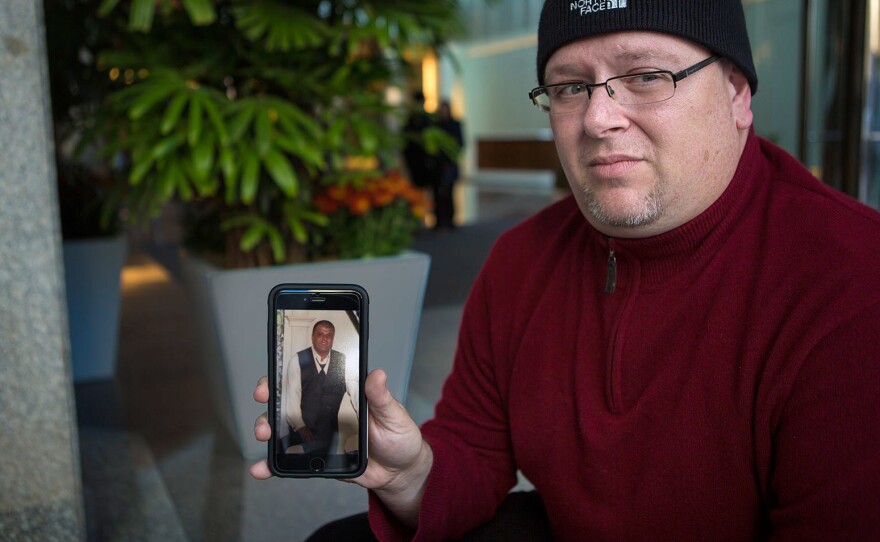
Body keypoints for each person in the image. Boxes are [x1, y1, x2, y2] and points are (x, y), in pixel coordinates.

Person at [252, 1, 880, 540]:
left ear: (737, 95)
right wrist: (414, 475)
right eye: (570, 86)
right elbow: (476, 445)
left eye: (646, 76)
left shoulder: (850, 279)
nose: (598, 119)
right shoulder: (521, 260)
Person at [285, 320, 356, 456]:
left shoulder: (343, 361)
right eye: (320, 334)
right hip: (301, 431)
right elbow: (292, 396)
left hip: (329, 433)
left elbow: (355, 389)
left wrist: (365, 414)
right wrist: (300, 426)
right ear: (313, 336)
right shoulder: (297, 360)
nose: (324, 339)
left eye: (329, 335)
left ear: (333, 338)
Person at [433, 101, 464, 230]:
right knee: (437, 194)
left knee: (450, 192)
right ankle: (439, 220)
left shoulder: (455, 125)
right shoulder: (435, 126)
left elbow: (460, 143)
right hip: (437, 165)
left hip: (450, 165)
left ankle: (450, 219)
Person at [402, 91, 441, 190]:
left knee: (425, 185)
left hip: (424, 157)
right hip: (414, 157)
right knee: (417, 184)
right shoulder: (412, 118)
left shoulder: (427, 118)